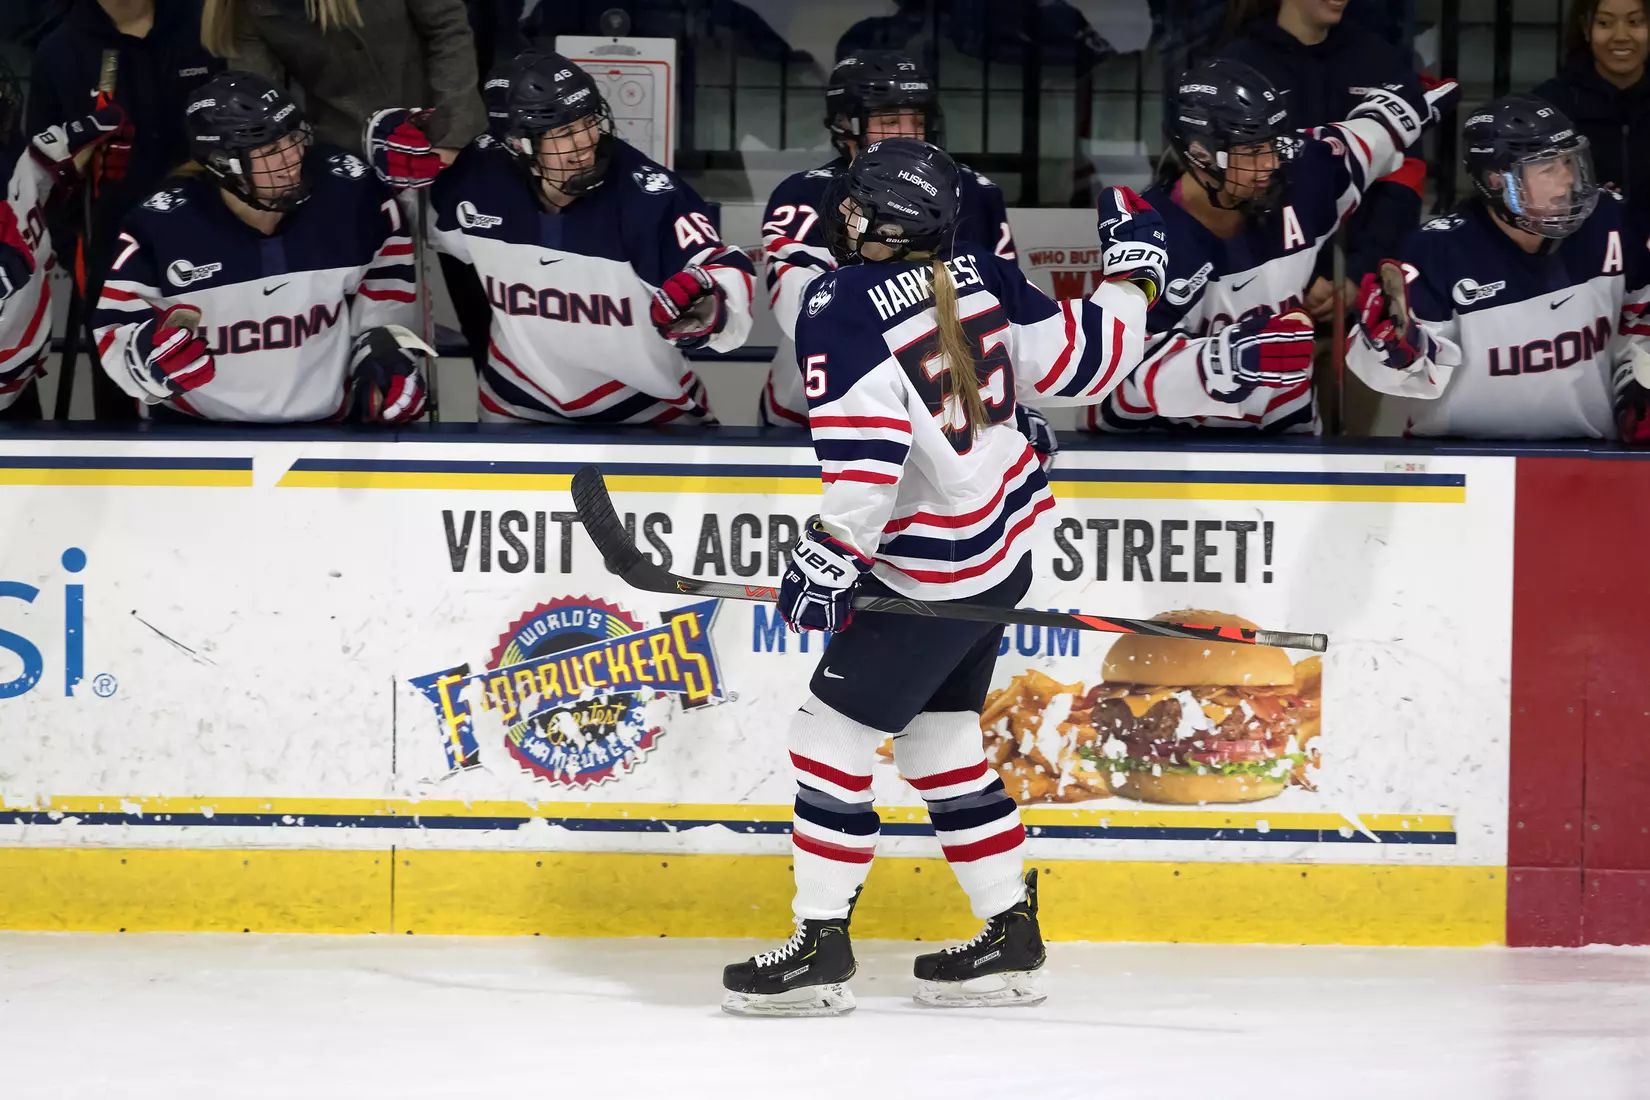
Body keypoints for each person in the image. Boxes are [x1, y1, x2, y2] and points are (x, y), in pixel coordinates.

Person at [720, 139, 1275, 1016]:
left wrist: (833, 553)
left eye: (859, 208)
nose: (846, 218)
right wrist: (1131, 280)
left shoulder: (837, 303)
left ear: (887, 222)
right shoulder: (976, 270)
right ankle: (1009, 933)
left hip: (928, 576)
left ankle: (818, 948)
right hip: (998, 560)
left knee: (826, 740)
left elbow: (866, 464)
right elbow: (1083, 363)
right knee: (942, 746)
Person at [1086, 58, 1456, 433]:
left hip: (1290, 434)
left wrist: (1398, 109)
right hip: (1176, 456)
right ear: (1199, 154)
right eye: (1250, 152)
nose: (1269, 164)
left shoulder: (1304, 173)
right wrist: (1223, 362)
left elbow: (1368, 137)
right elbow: (1115, 392)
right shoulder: (1146, 240)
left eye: (1271, 145)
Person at [405, 49, 755, 423]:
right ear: (517, 144)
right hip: (514, 407)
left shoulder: (647, 195)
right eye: (565, 132)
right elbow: (418, 227)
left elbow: (716, 269)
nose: (586, 142)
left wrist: (710, 305)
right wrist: (392, 156)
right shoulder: (477, 179)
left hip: (648, 412)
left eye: (589, 121)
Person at [92, 72, 428, 423]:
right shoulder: (162, 226)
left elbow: (387, 279)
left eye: (292, 141)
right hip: (199, 436)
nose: (291, 164)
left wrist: (383, 350)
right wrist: (147, 360)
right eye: (269, 151)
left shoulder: (348, 193)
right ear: (223, 163)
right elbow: (117, 327)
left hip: (327, 430)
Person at [1346, 95, 1650, 441]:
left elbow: (1639, 319)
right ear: (1495, 181)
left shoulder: (1609, 221)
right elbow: (1407, 381)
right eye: (1548, 168)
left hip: (1586, 458)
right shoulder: (1437, 249)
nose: (1566, 181)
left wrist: (1637, 380)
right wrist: (1395, 350)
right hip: (1461, 462)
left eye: (1569, 162)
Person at [756, 51, 1020, 429]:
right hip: (814, 412)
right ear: (846, 125)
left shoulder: (976, 194)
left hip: (943, 420)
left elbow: (1005, 316)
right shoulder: (804, 195)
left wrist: (1019, 405)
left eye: (917, 120)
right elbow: (802, 311)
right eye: (891, 120)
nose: (909, 133)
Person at [28, 0, 222, 419]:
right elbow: (42, 171)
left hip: (215, 241)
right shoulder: (59, 51)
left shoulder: (205, 24)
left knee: (218, 383)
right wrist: (73, 248)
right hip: (110, 248)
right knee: (119, 403)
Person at [1218, 0, 1433, 324]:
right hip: (1261, 296)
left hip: (1367, 296)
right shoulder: (1236, 67)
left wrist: (1358, 273)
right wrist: (1298, 271)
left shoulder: (1382, 62)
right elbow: (1228, 188)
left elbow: (1404, 177)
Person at [1533, 0, 1650, 220]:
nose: (1621, 36)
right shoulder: (1550, 105)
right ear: (1586, 29)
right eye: (1605, 23)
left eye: (1635, 22)